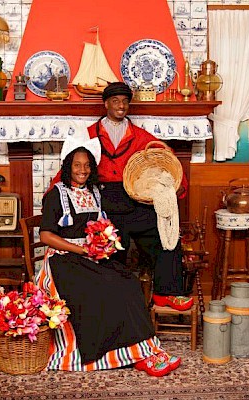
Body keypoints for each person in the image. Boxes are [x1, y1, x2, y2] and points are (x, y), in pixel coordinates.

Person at [38, 137, 181, 376]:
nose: (82, 170)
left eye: (87, 165)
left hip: (89, 257)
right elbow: (45, 236)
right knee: (106, 287)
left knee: (128, 280)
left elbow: (101, 226)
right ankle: (124, 352)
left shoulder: (95, 192)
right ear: (67, 167)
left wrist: (102, 244)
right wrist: (81, 249)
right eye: (77, 165)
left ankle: (142, 350)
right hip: (63, 260)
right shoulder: (56, 194)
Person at [46, 81, 193, 311]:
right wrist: (54, 192)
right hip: (103, 201)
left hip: (134, 198)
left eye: (125, 101)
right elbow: (70, 164)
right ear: (106, 104)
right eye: (115, 101)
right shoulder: (89, 135)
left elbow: (166, 158)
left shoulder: (140, 136)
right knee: (110, 246)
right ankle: (111, 298)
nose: (121, 106)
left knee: (166, 232)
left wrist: (179, 187)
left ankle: (167, 292)